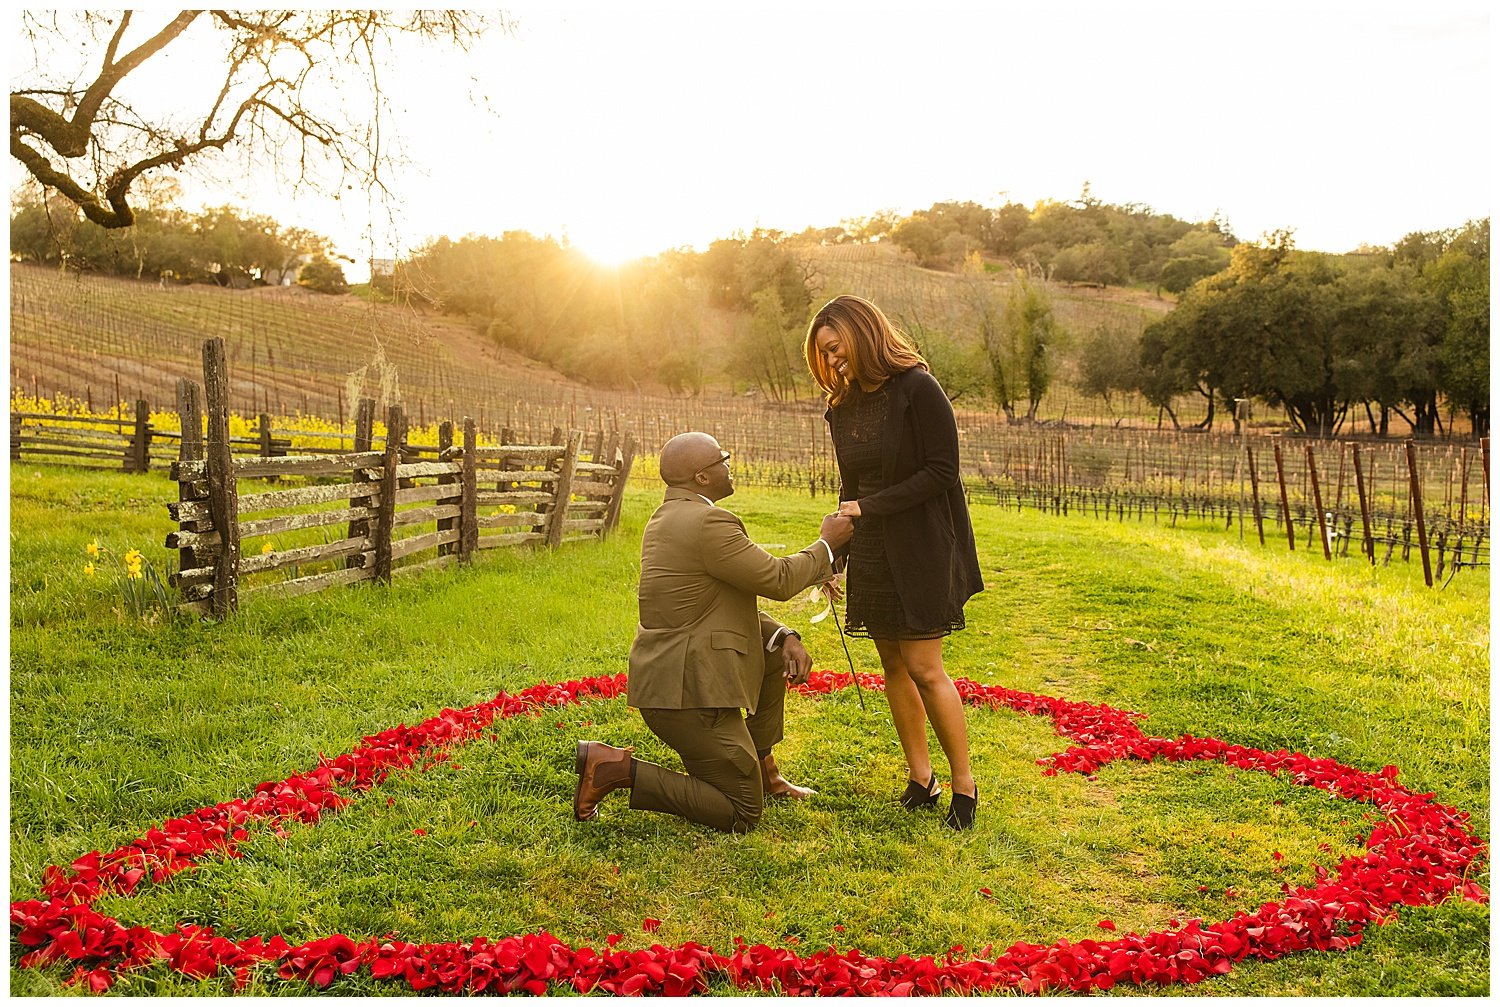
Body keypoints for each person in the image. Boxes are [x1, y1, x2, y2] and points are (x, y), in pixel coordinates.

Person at [573, 431, 854, 833]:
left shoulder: (668, 517)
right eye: (722, 459)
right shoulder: (709, 521)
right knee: (741, 812)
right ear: (702, 477)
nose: (730, 465)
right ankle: (615, 769)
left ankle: (763, 771)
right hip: (688, 693)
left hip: (673, 679)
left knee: (776, 650)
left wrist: (783, 634)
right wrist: (827, 544)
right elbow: (776, 579)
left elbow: (711, 606)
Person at [803, 294, 984, 830]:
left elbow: (942, 472)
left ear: (862, 332)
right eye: (824, 358)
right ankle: (919, 778)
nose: (833, 363)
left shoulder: (918, 389)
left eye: (836, 349)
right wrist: (838, 554)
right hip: (874, 546)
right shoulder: (843, 406)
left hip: (923, 542)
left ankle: (964, 786)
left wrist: (869, 507)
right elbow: (850, 485)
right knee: (892, 669)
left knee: (927, 669)